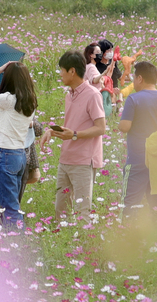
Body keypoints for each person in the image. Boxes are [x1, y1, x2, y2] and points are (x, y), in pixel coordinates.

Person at [0, 61, 38, 229]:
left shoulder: (9, 99)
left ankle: (14, 242)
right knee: (14, 205)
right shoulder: (30, 100)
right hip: (20, 154)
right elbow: (13, 120)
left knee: (8, 207)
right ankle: (15, 239)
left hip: (6, 154)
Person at [50, 50, 108, 217]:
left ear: (72, 71)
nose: (60, 74)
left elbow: (101, 128)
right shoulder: (70, 95)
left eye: (62, 70)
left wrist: (74, 135)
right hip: (65, 159)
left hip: (83, 161)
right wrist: (52, 131)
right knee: (61, 211)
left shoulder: (93, 95)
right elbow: (73, 124)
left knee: (83, 211)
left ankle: (83, 242)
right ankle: (63, 242)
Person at [118, 61, 157, 210]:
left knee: (129, 203)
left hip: (138, 159)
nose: (134, 81)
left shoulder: (133, 99)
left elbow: (124, 127)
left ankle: (126, 231)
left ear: (140, 79)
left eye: (134, 78)